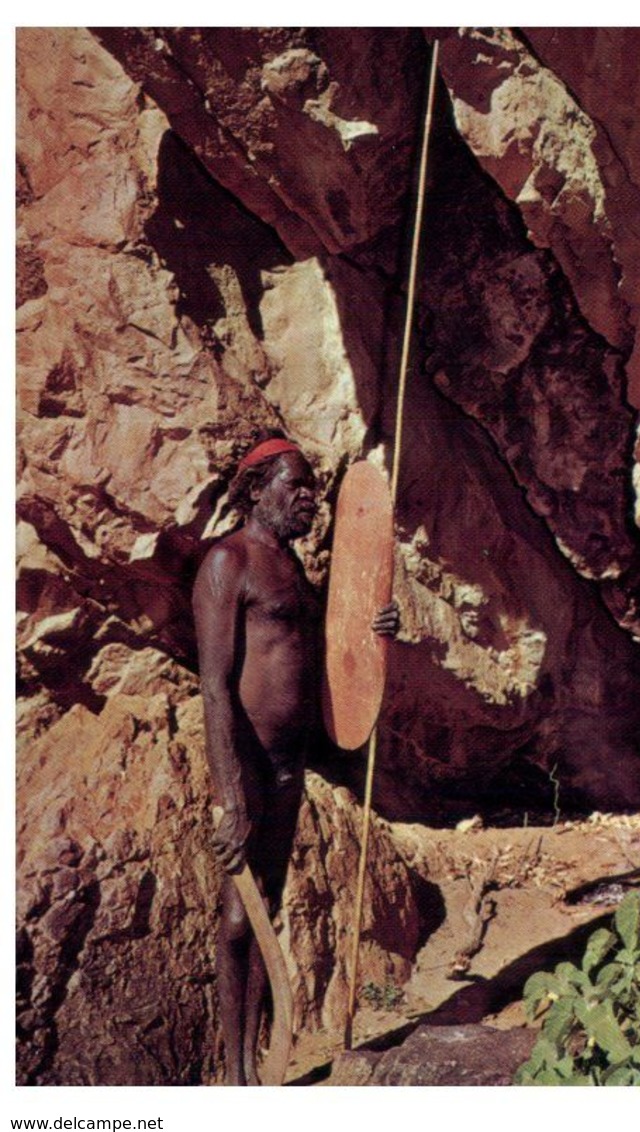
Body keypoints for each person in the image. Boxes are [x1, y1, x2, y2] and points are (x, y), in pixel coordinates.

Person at [193, 433, 398, 1085]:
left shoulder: (295, 570)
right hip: (249, 763)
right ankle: (237, 1071)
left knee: (269, 906)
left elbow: (334, 649)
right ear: (256, 491)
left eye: (313, 489)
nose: (311, 499)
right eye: (297, 487)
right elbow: (216, 686)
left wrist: (377, 627)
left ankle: (258, 1062)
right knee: (237, 915)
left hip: (289, 765)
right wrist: (230, 796)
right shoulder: (229, 563)